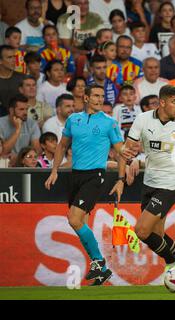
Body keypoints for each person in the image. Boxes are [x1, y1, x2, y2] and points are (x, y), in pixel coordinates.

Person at [112, 85, 175, 291]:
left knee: (142, 231)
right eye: (174, 102)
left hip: (170, 184)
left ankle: (173, 263)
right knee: (157, 235)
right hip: (149, 183)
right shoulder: (143, 120)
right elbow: (126, 150)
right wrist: (120, 178)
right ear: (162, 102)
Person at [45, 84, 127, 286]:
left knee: (73, 219)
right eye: (96, 96)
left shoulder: (109, 123)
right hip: (76, 176)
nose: (100, 99)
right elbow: (63, 145)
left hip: (95, 176)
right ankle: (102, 271)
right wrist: (54, 170)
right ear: (86, 97)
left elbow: (121, 152)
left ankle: (98, 261)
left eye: (102, 96)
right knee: (81, 222)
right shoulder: (74, 119)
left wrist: (121, 179)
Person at [0, 93, 41, 161]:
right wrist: (17, 130)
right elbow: (3, 151)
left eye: (26, 109)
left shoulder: (32, 124)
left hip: (25, 162)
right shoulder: (1, 123)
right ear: (11, 110)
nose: (25, 112)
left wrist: (19, 158)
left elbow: (37, 150)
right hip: (5, 164)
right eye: (21, 109)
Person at [0, 45, 27, 117]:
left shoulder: (23, 78)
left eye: (14, 57)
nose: (14, 60)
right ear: (0, 61)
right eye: (9, 57)